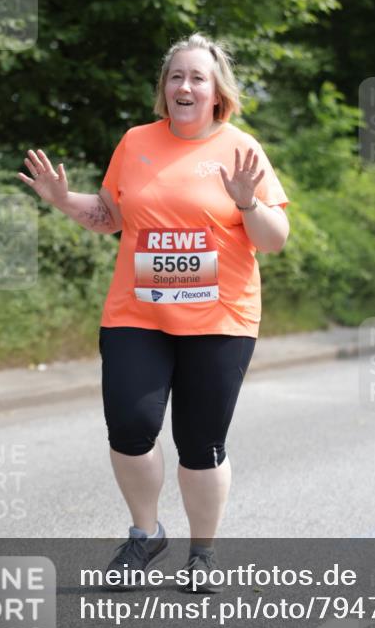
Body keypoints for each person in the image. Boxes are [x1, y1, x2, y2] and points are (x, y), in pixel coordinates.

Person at [17, 32, 289, 590]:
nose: (185, 86)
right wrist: (63, 200)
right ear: (164, 89)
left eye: (197, 78)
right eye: (175, 77)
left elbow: (275, 238)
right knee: (130, 426)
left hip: (220, 319)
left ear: (217, 93)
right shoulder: (136, 141)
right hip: (136, 314)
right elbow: (110, 216)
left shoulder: (241, 148)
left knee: (200, 443)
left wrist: (247, 202)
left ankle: (203, 551)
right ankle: (145, 535)